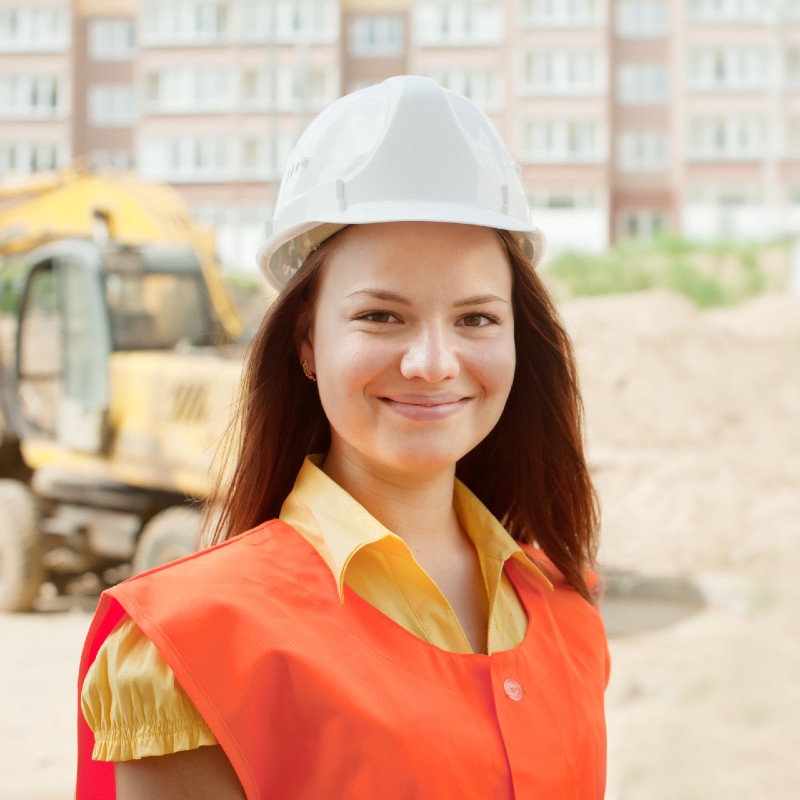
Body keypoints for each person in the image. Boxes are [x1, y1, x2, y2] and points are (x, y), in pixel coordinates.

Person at [77, 75, 609, 799]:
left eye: (476, 319)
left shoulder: (566, 612)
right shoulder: (193, 644)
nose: (432, 363)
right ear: (306, 341)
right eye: (381, 317)